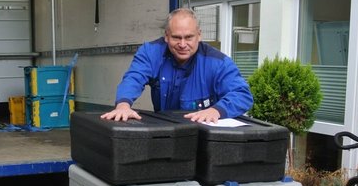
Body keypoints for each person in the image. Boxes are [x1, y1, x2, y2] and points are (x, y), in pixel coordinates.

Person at [101, 7, 253, 123]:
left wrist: (216, 111)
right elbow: (133, 78)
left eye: (188, 37)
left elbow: (242, 95)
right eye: (176, 37)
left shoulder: (218, 63)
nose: (182, 44)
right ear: (166, 36)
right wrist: (123, 105)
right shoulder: (150, 52)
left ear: (199, 35)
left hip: (203, 136)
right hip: (167, 132)